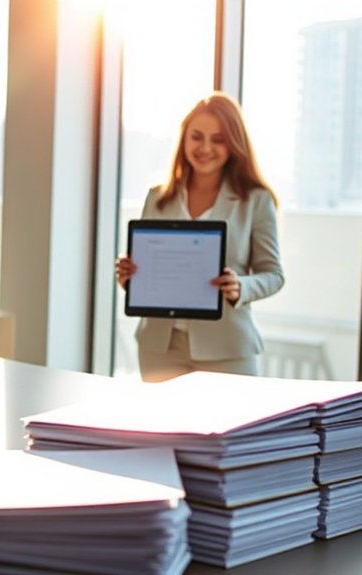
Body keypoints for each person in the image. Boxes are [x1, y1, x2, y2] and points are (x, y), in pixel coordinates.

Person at [116, 92, 283, 382]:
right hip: (160, 348)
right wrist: (131, 275)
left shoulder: (255, 200)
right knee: (164, 427)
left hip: (227, 350)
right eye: (197, 136)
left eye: (218, 139)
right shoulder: (157, 198)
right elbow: (147, 265)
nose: (205, 147)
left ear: (233, 144)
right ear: (184, 139)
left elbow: (273, 274)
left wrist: (240, 286)